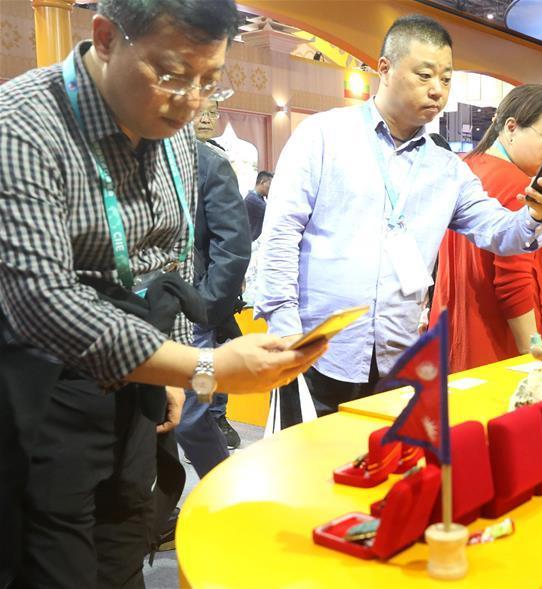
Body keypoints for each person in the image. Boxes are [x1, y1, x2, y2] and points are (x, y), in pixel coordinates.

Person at [0, 1, 326, 586]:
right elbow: (43, 301)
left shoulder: (173, 135)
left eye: (210, 81)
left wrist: (170, 370)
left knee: (127, 540)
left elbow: (167, 263)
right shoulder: (22, 125)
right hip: (43, 386)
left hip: (138, 379)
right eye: (173, 75)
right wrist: (203, 365)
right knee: (53, 559)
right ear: (106, 37)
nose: (191, 101)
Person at [254, 15, 542, 423]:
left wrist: (535, 215)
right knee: (308, 460)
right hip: (316, 350)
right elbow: (280, 235)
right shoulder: (324, 136)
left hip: (396, 358)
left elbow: (498, 231)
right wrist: (285, 330)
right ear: (384, 69)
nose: (437, 89)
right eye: (425, 75)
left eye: (446, 79)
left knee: (386, 459)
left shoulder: (446, 168)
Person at [431, 84, 542, 371]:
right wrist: (531, 351)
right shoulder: (517, 185)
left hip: (448, 337)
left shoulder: (462, 168)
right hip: (493, 345)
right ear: (511, 127)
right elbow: (513, 281)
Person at [175, 106, 252, 478]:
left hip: (195, 310)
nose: (205, 119)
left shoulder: (209, 162)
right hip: (146, 310)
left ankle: (223, 489)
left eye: (211, 112)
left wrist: (204, 305)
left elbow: (233, 245)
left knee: (195, 411)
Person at [245, 171, 273, 241]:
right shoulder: (252, 199)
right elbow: (271, 213)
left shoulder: (256, 198)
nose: (272, 188)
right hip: (253, 242)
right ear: (262, 182)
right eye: (270, 184)